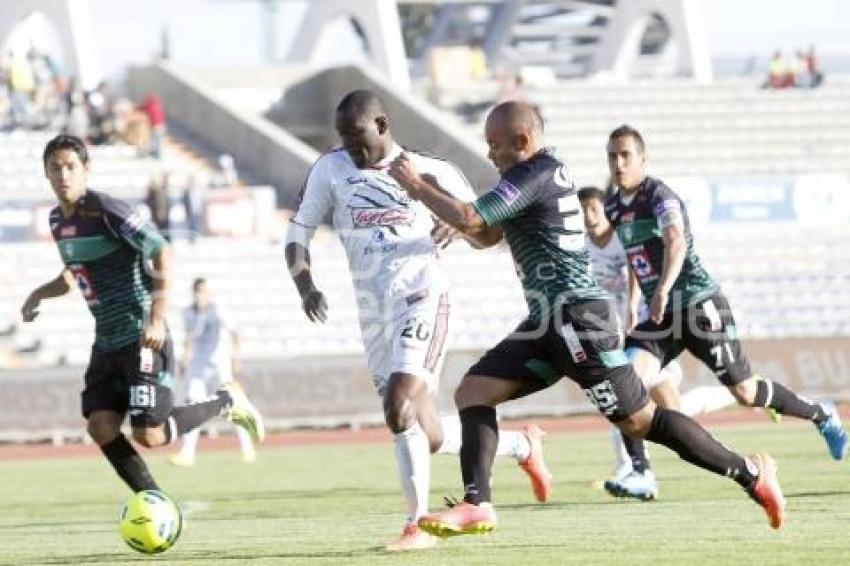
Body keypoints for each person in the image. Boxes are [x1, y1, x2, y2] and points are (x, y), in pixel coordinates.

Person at [388, 101, 787, 538]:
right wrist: (438, 202)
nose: (489, 153)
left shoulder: (535, 172)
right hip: (548, 320)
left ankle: (750, 473)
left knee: (641, 421)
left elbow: (471, 218)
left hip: (579, 318)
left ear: (522, 142)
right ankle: (478, 503)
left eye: (495, 145)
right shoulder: (526, 175)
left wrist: (416, 186)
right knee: (474, 390)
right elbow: (485, 234)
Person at [284, 90, 552, 551]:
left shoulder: (432, 170)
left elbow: (489, 232)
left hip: (421, 297)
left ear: (383, 126)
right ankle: (520, 445)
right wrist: (305, 283)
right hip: (372, 314)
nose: (352, 149)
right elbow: (297, 232)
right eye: (344, 140)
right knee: (415, 428)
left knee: (401, 403)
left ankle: (416, 526)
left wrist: (461, 224)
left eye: (359, 138)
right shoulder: (330, 169)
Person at [600, 124, 847, 500]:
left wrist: (662, 289)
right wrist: (635, 304)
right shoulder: (615, 206)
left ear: (642, 159)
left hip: (698, 304)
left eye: (625, 155)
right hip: (660, 316)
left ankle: (821, 413)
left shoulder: (659, 195)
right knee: (625, 384)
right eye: (612, 156)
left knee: (746, 392)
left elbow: (676, 241)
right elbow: (634, 258)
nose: (618, 163)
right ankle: (642, 473)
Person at [20, 134, 264, 496]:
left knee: (149, 434)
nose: (63, 175)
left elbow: (162, 250)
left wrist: (155, 316)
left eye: (71, 166)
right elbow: (74, 273)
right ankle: (153, 502)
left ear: (87, 169)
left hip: (140, 335)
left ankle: (227, 400)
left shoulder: (106, 209)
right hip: (106, 342)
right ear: (46, 173)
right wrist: (38, 294)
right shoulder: (58, 220)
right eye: (55, 168)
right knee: (100, 426)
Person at [579, 186, 777, 497]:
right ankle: (636, 470)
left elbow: (640, 263)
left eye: (594, 208)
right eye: (585, 209)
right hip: (626, 337)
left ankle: (640, 470)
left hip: (651, 332)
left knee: (647, 404)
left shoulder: (622, 238)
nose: (589, 216)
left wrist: (633, 308)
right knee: (642, 405)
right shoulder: (585, 247)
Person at [170, 278, 255, 466]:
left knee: (233, 406)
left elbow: (236, 332)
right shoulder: (188, 313)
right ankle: (187, 453)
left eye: (205, 292)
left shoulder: (219, 310)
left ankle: (247, 448)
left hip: (218, 366)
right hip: (198, 367)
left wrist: (236, 358)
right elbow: (189, 338)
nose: (202, 296)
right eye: (199, 292)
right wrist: (184, 361)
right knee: (193, 406)